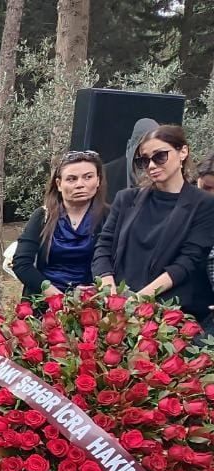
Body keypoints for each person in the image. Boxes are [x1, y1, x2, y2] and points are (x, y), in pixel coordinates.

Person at [93, 125, 214, 329]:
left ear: (182, 152)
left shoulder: (202, 204)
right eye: (144, 160)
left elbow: (188, 261)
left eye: (160, 156)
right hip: (115, 311)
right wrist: (109, 291)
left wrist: (140, 299)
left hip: (169, 317)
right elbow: (103, 247)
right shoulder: (126, 199)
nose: (151, 165)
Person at [12, 151, 109, 298]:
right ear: (59, 184)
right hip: (45, 302)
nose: (80, 184)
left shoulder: (110, 217)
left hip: (92, 304)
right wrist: (56, 297)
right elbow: (21, 263)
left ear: (98, 180)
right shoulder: (42, 216)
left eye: (88, 177)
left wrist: (96, 291)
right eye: (71, 179)